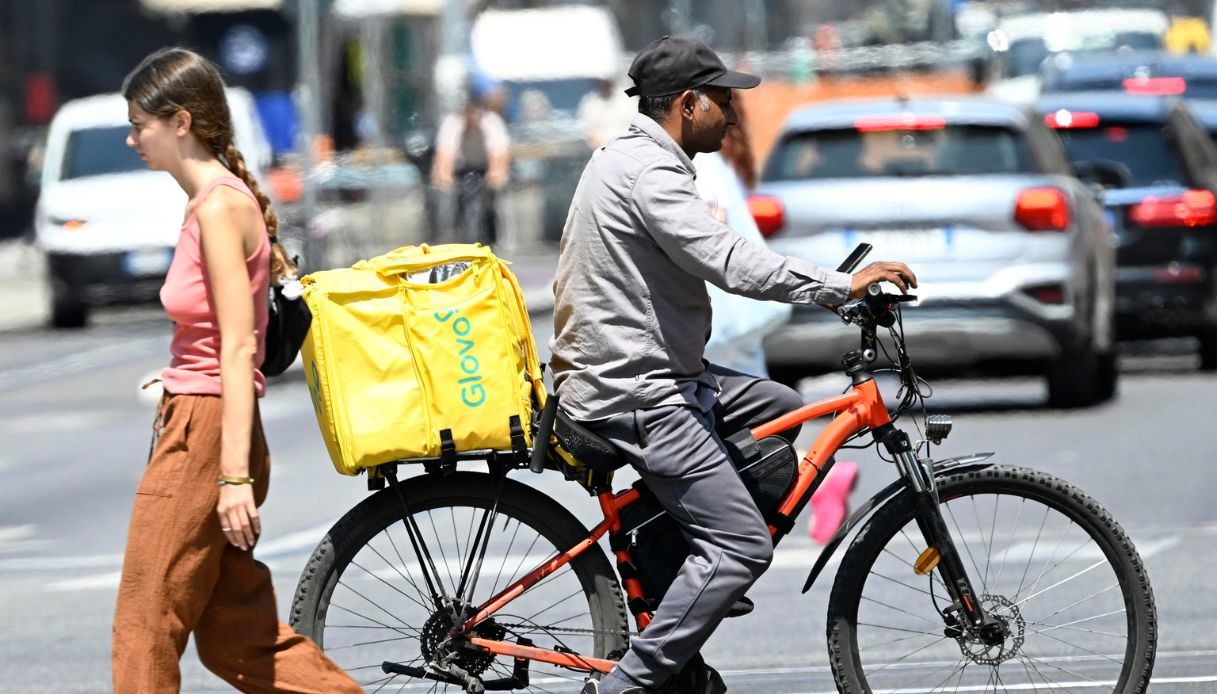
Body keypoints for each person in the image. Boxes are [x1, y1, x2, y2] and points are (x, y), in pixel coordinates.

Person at [549, 36, 917, 694]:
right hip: (634, 391)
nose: (733, 113)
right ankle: (632, 682)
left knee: (779, 409)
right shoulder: (646, 173)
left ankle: (670, 561)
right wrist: (839, 286)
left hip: (662, 372)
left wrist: (831, 291)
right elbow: (726, 258)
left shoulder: (644, 159)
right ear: (687, 105)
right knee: (741, 546)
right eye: (723, 100)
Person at [111, 47, 360, 693]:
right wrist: (174, 377)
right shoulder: (212, 202)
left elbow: (239, 347)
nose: (133, 137)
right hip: (200, 415)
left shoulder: (220, 207)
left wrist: (230, 477)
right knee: (236, 639)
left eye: (141, 123)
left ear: (182, 122)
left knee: (145, 622)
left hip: (206, 435)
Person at [692, 100, 860, 548]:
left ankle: (812, 482)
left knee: (737, 434)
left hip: (720, 322)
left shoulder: (700, 166)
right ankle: (815, 479)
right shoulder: (721, 162)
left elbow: (717, 249)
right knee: (748, 432)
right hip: (738, 317)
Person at [431, 87, 511, 245]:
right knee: (459, 204)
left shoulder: (491, 121)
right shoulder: (452, 123)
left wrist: (496, 174)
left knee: (489, 205)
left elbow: (499, 152)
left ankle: (492, 240)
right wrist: (443, 176)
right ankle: (460, 236)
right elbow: (445, 153)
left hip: (484, 167)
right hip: (463, 168)